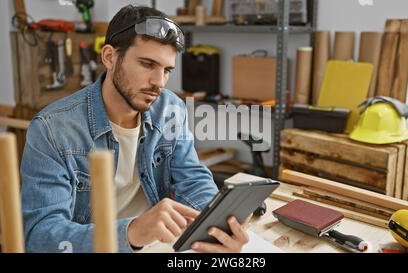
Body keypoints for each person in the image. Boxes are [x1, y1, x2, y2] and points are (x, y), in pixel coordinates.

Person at [20, 5, 250, 253]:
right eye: (147, 64)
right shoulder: (52, 130)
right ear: (109, 57)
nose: (159, 82)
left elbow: (192, 178)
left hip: (156, 247)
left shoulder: (171, 109)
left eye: (166, 70)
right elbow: (41, 237)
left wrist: (217, 225)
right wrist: (132, 232)